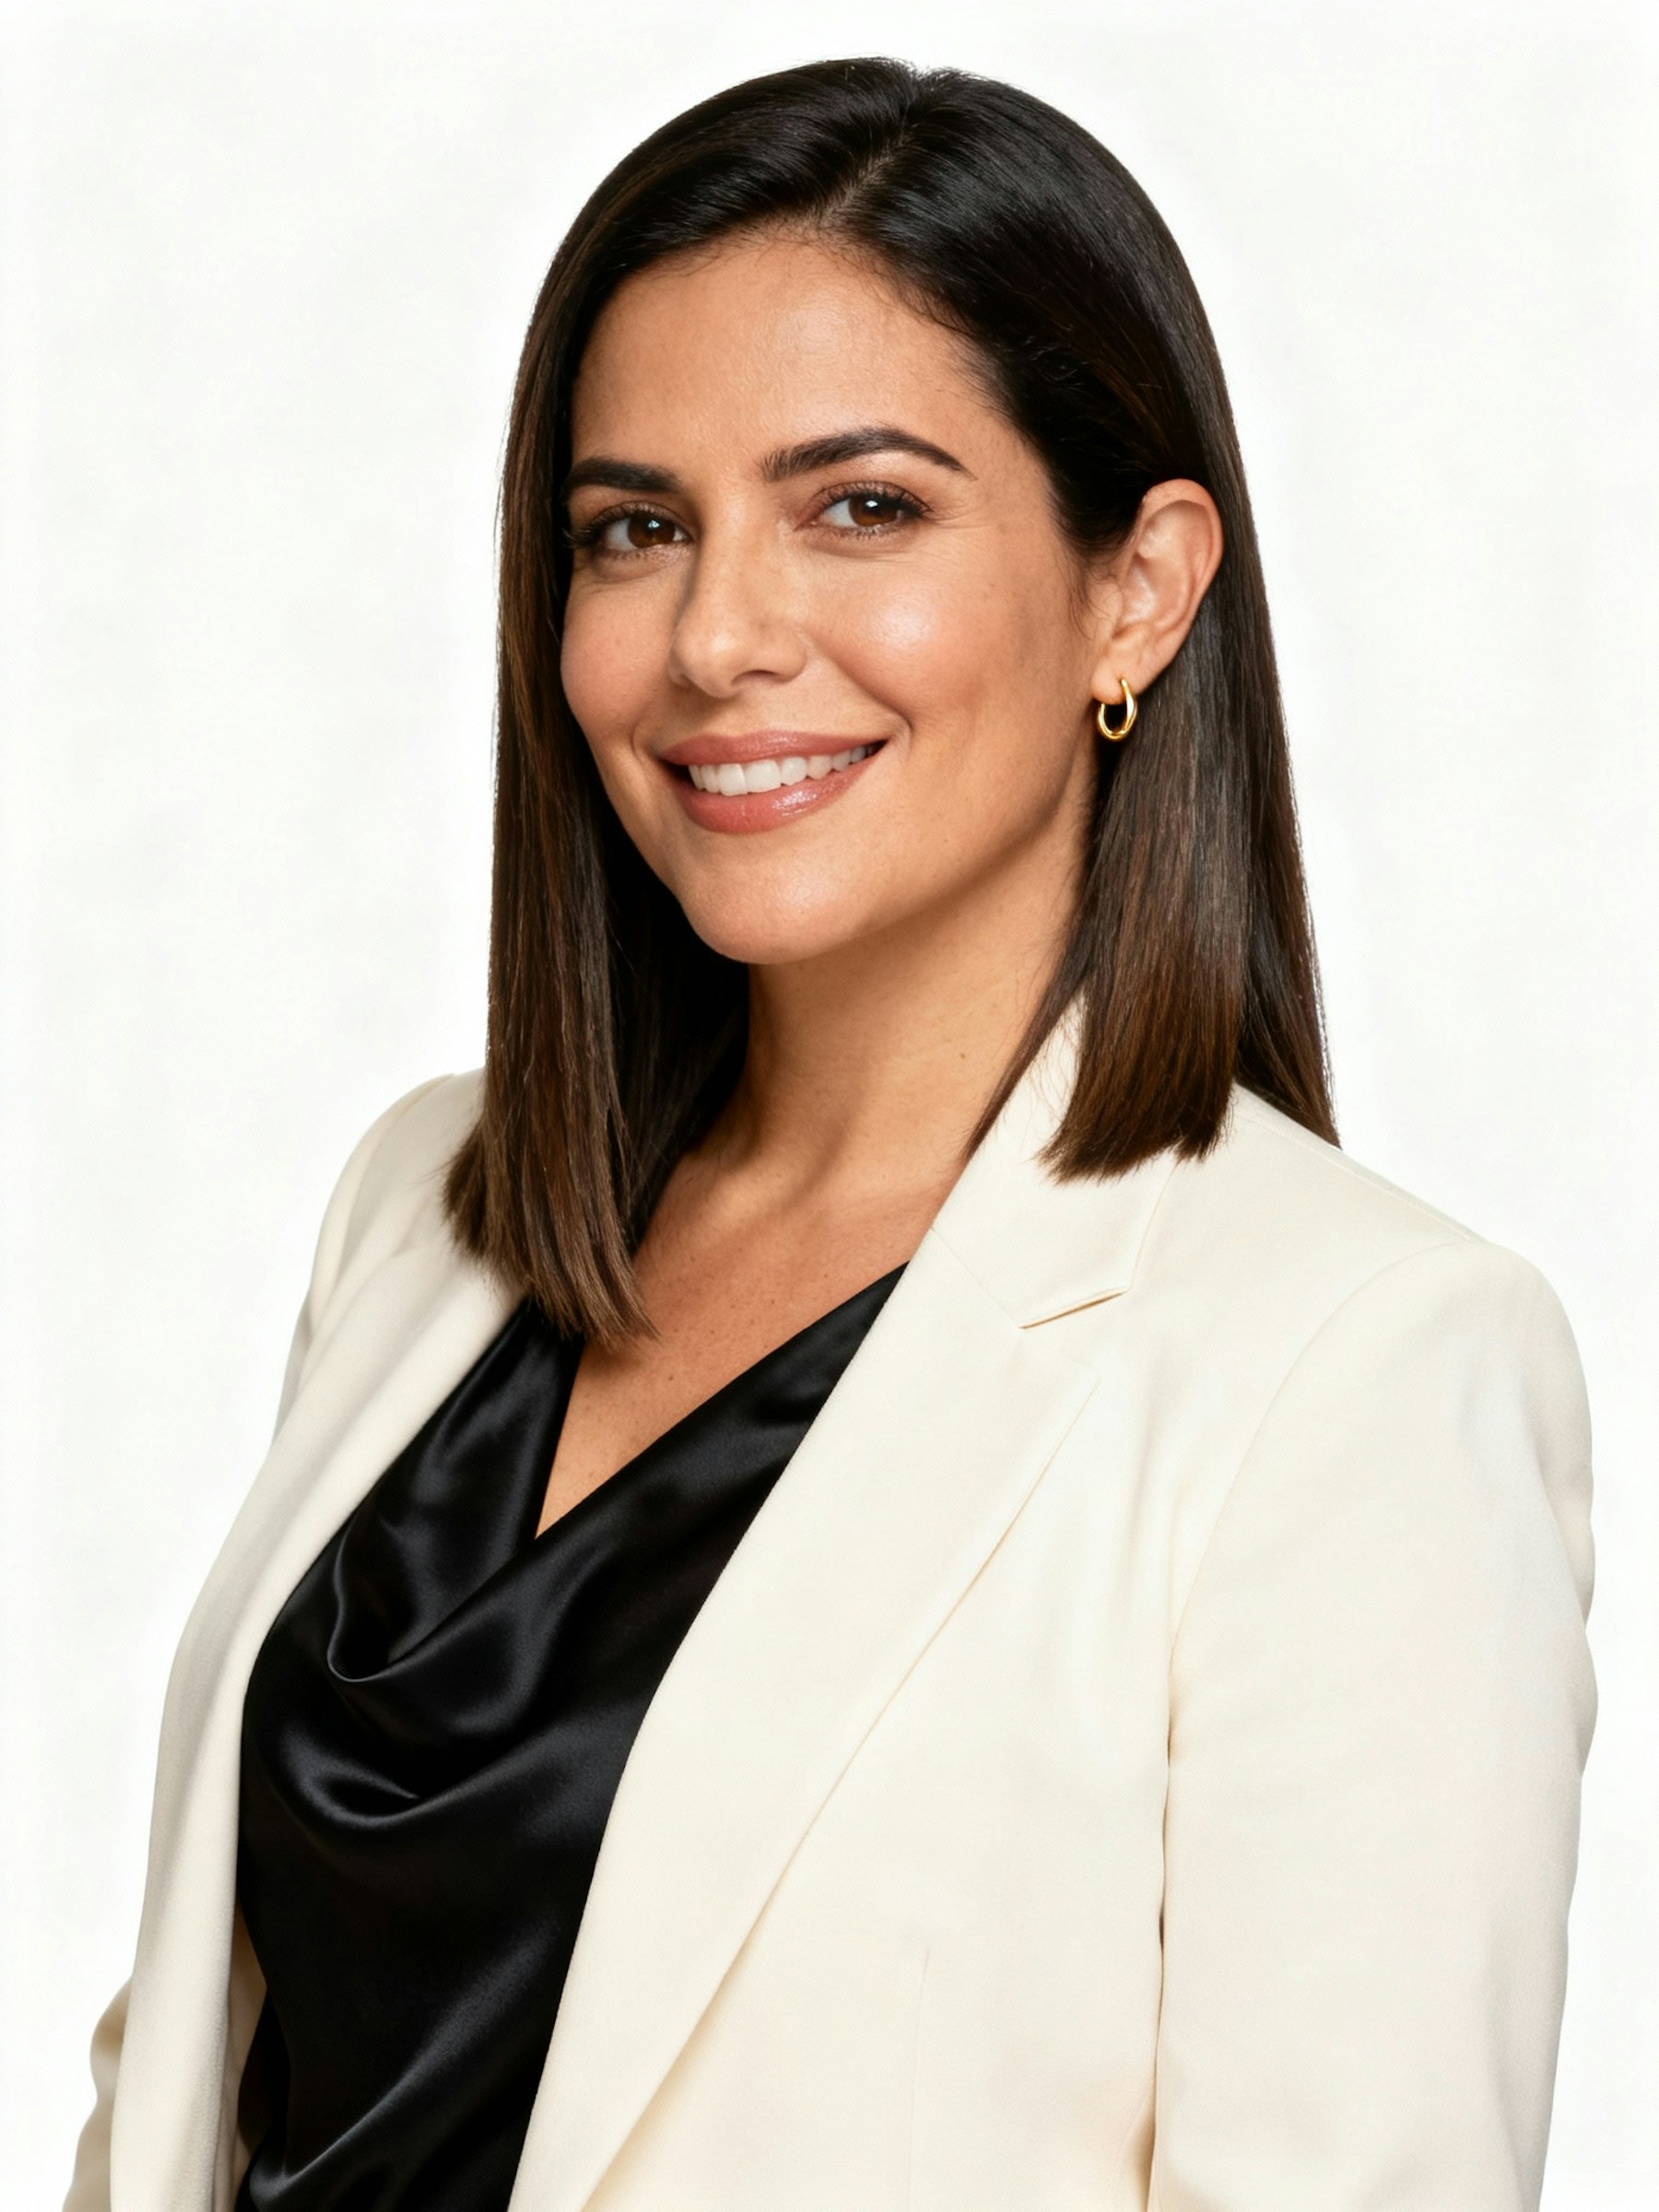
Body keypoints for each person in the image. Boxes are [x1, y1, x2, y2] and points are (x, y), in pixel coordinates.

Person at [66, 55, 1594, 2212]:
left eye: (861, 507)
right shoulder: (423, 1210)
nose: (717, 639)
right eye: (635, 529)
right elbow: (191, 2080)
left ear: (1137, 590)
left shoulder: (1352, 1367)